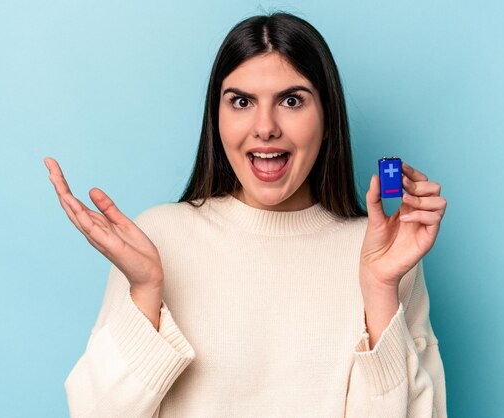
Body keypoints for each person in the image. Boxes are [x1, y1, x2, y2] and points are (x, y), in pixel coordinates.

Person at [44, 11, 448, 418]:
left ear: (327, 119)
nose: (265, 127)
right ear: (216, 120)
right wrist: (147, 291)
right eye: (241, 102)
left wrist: (380, 289)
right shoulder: (157, 239)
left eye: (292, 101)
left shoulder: (384, 255)